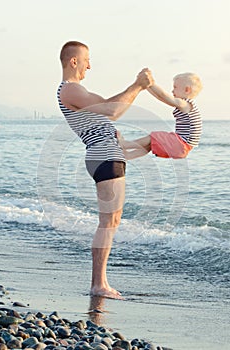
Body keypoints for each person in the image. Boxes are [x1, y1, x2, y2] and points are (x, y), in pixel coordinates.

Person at [57, 41, 152, 299]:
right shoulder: (69, 90)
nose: (90, 64)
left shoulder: (80, 93)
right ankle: (98, 284)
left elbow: (112, 121)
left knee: (112, 221)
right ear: (73, 61)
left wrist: (149, 142)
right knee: (107, 222)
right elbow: (114, 110)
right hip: (104, 155)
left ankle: (100, 283)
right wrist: (138, 86)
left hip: (109, 153)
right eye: (86, 59)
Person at [118, 72, 202, 159]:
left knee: (152, 137)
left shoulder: (184, 104)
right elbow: (160, 97)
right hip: (183, 148)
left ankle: (125, 144)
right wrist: (146, 86)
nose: (172, 91)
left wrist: (151, 83)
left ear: (187, 90)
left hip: (181, 144)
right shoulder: (188, 105)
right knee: (152, 143)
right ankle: (128, 155)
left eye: (175, 87)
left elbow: (163, 96)